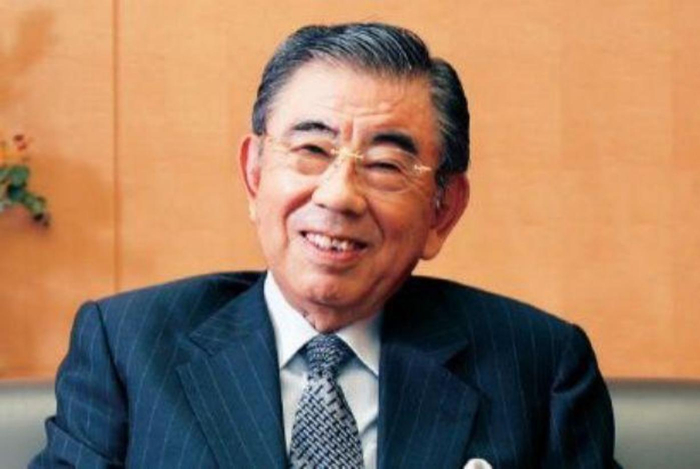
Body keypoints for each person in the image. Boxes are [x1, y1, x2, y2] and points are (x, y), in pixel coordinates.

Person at [31, 22, 619, 468]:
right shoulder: (128, 349)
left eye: (385, 164)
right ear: (255, 175)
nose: (338, 195)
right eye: (311, 150)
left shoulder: (539, 368)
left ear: (442, 210)